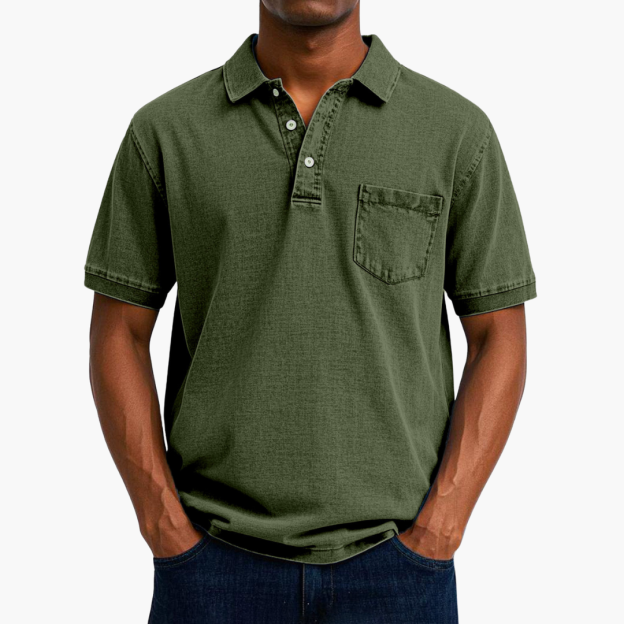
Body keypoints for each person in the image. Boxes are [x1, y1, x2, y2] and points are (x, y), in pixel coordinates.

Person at [85, 1, 536, 622]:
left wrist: (442, 525)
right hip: (211, 569)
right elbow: (120, 331)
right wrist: (161, 522)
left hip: (397, 571)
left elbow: (498, 335)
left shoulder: (455, 132)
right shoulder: (166, 131)